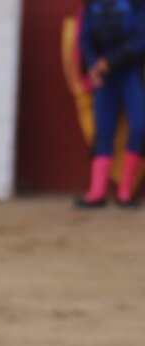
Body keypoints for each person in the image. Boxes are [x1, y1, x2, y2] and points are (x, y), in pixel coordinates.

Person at [76, 0, 145, 208]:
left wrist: (109, 63)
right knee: (103, 129)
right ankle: (97, 192)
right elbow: (85, 37)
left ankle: (125, 191)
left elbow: (141, 38)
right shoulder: (91, 3)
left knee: (140, 126)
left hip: (131, 70)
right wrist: (92, 65)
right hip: (104, 74)